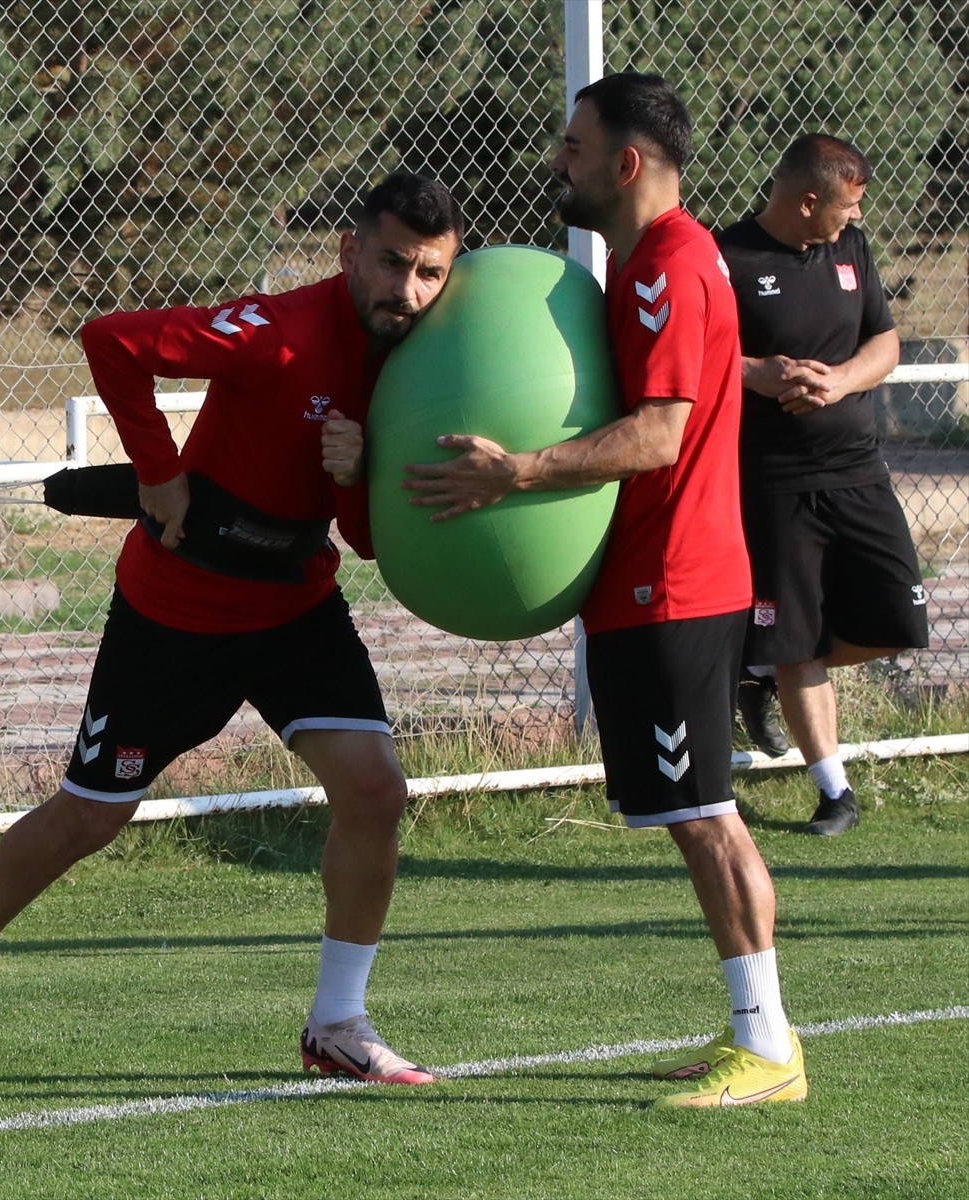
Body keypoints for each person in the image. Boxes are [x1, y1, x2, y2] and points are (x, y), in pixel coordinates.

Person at [0, 172, 465, 1089]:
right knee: (90, 817)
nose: (408, 292)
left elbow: (366, 541)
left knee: (376, 792)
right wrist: (158, 469)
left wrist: (356, 471)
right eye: (391, 264)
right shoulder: (275, 332)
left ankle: (336, 1023)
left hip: (298, 606)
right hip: (176, 610)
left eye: (430, 273)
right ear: (352, 252)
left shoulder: (426, 361)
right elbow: (110, 340)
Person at [402, 72, 806, 1107]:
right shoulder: (646, 265)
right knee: (690, 814)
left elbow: (661, 433)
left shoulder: (667, 264)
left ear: (626, 163)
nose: (559, 162)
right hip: (647, 587)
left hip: (675, 586)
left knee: (707, 815)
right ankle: (757, 1037)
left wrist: (519, 471)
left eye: (575, 148)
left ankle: (766, 1048)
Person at [717, 135, 929, 836]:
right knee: (798, 645)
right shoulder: (728, 257)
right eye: (845, 208)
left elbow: (886, 343)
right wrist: (757, 374)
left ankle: (765, 672)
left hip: (858, 471)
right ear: (809, 202)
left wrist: (838, 381)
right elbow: (694, 351)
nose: (852, 220)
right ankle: (835, 793)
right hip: (773, 483)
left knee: (900, 617)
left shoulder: (851, 251)